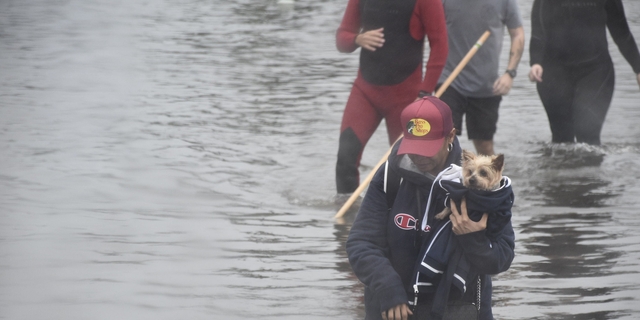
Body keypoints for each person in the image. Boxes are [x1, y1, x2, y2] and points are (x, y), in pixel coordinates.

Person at [346, 97, 515, 320]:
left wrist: (472, 238)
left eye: (427, 148)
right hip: (394, 309)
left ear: (451, 136)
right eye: (413, 148)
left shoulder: (481, 186)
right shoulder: (389, 177)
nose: (419, 157)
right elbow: (361, 243)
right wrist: (388, 287)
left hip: (460, 310)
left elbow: (501, 259)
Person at [334, 0, 449, 197]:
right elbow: (342, 40)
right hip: (365, 92)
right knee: (346, 158)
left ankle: (405, 217)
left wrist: (424, 93)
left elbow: (440, 46)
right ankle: (349, 223)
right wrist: (357, 39)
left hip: (406, 98)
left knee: (407, 166)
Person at [528, 0, 640, 145]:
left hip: (596, 71)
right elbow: (538, 29)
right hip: (554, 72)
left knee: (588, 134)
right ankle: (558, 167)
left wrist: (638, 68)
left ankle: (590, 166)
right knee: (562, 139)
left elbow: (621, 32)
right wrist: (536, 62)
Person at [435, 0, 525, 156]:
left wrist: (510, 73)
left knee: (484, 145)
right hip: (449, 80)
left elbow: (517, 34)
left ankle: (491, 180)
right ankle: (444, 179)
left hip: (486, 85)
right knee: (443, 140)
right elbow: (428, 30)